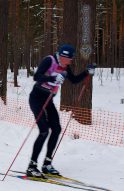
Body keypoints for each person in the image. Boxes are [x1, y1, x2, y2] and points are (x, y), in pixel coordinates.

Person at [26, 44, 96, 178]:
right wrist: (53, 78)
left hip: (49, 100)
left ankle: (47, 164)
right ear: (63, 56)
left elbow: (74, 80)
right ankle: (32, 166)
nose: (71, 61)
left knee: (57, 129)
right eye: (69, 58)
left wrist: (87, 72)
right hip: (37, 99)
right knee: (44, 131)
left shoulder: (65, 66)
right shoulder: (49, 60)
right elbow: (37, 77)